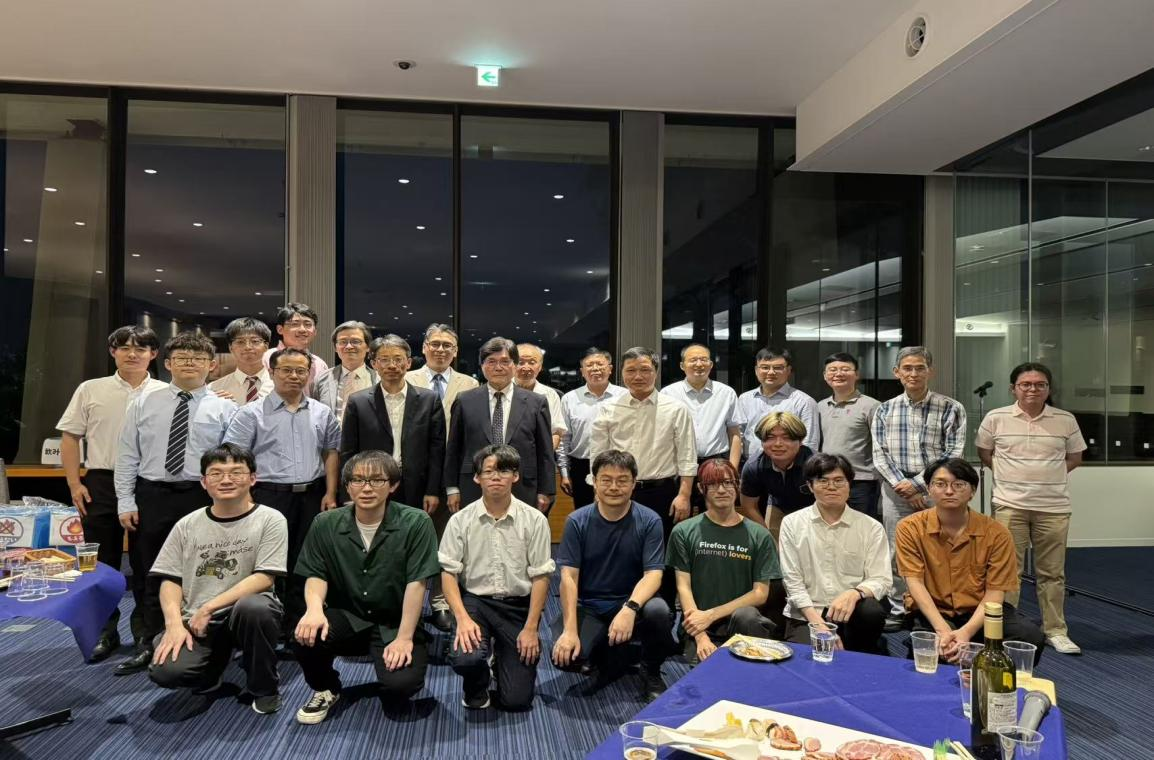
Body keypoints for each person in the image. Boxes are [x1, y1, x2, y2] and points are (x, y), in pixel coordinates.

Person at [115, 332, 237, 675]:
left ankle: (202, 640)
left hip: (202, 497)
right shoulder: (143, 402)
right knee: (149, 570)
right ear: (167, 363)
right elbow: (127, 455)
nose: (189, 363)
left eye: (198, 358)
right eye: (182, 357)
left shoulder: (225, 408)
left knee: (205, 571)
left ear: (211, 366)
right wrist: (125, 500)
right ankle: (149, 641)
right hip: (152, 495)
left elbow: (230, 463)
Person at [292, 451, 442, 724]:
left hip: (394, 622)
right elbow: (315, 573)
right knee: (306, 635)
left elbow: (417, 583)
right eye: (358, 480)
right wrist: (314, 610)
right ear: (347, 486)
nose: (367, 487)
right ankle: (326, 688)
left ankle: (391, 675)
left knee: (401, 687)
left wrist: (404, 637)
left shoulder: (416, 522)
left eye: (377, 480)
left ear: (393, 485)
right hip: (348, 617)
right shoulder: (325, 523)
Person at [147, 444, 288, 715]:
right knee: (167, 672)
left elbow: (264, 578)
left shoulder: (270, 519)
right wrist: (174, 625)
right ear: (203, 482)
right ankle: (212, 667)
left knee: (255, 607)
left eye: (236, 472)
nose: (226, 480)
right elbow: (170, 579)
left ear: (253, 478)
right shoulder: (187, 524)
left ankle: (264, 687)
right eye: (216, 473)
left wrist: (209, 607)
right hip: (196, 620)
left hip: (242, 614)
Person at [57, 325, 166, 662]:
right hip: (101, 482)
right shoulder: (91, 389)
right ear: (112, 352)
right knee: (99, 563)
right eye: (124, 347)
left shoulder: (166, 392)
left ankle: (147, 632)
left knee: (147, 560)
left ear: (153, 354)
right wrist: (75, 483)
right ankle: (104, 631)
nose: (132, 354)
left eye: (140, 348)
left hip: (147, 482)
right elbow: (70, 437)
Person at [224, 347, 341, 629]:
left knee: (307, 560)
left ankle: (298, 624)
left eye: (301, 371)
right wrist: (244, 498)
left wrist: (330, 492)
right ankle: (266, 626)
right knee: (268, 562)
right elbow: (235, 459)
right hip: (267, 496)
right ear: (272, 372)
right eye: (286, 370)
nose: (294, 376)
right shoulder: (251, 413)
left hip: (312, 495)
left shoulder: (322, 412)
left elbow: (331, 452)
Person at [976, 362, 1086, 655]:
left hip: (1053, 507)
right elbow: (985, 453)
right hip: (1009, 506)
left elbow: (1075, 457)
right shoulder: (996, 417)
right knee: (1006, 571)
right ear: (1013, 388)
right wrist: (1013, 477)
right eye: (1026, 384)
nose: (1033, 389)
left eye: (1040, 384)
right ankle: (1007, 627)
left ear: (1048, 389)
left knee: (1052, 572)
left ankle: (1055, 630)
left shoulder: (1065, 420)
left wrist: (1047, 476)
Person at [896, 458, 1045, 664]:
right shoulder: (910, 528)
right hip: (935, 610)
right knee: (938, 651)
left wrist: (966, 632)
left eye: (959, 484)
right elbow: (915, 584)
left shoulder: (996, 533)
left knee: (1029, 637)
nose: (949, 491)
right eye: (940, 484)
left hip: (981, 610)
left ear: (972, 491)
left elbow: (995, 592)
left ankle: (988, 673)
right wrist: (943, 630)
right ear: (929, 489)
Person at [439, 445, 554, 710]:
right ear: (476, 477)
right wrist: (461, 618)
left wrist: (532, 628)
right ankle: (477, 683)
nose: (496, 477)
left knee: (516, 701)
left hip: (518, 606)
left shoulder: (535, 520)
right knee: (466, 657)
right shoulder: (460, 520)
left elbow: (541, 576)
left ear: (515, 476)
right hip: (476, 602)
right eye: (488, 471)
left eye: (503, 470)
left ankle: (500, 659)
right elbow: (448, 573)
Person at [551, 450, 672, 702]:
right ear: (594, 482)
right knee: (566, 658)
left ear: (634, 483)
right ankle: (608, 651)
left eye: (622, 480)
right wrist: (570, 630)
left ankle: (650, 671)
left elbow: (653, 574)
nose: (614, 487)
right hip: (590, 605)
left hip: (632, 601)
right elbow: (568, 577)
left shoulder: (650, 520)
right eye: (606, 480)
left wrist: (630, 608)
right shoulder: (577, 521)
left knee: (659, 611)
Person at [589, 346, 696, 602]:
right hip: (619, 491)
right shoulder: (608, 408)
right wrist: (598, 492)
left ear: (656, 372)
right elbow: (598, 456)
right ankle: (622, 605)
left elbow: (687, 455)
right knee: (620, 551)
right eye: (631, 370)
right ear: (621, 373)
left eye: (645, 370)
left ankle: (663, 609)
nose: (638, 376)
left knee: (663, 554)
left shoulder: (675, 408)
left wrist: (684, 495)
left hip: (663, 492)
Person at [872, 346, 966, 631]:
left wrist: (918, 486)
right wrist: (904, 487)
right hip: (895, 491)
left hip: (939, 490)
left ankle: (938, 608)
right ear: (897, 372)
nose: (913, 373)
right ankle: (900, 607)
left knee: (941, 549)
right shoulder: (884, 409)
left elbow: (953, 452)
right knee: (896, 551)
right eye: (907, 368)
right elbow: (880, 453)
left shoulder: (951, 408)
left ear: (930, 371)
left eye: (920, 368)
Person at [668, 459, 779, 664]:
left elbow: (760, 594)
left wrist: (711, 615)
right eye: (712, 484)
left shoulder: (760, 535)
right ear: (701, 488)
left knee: (747, 616)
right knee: (706, 677)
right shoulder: (683, 531)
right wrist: (700, 636)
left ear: (737, 485)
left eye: (728, 483)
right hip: (699, 625)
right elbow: (683, 587)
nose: (721, 490)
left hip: (743, 623)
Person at [778, 453, 890, 654]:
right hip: (807, 613)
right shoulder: (792, 523)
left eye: (839, 480)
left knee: (871, 611)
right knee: (808, 661)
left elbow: (881, 579)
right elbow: (792, 581)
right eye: (823, 481)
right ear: (810, 486)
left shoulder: (871, 527)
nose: (831, 487)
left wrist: (855, 593)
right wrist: (818, 624)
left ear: (849, 484)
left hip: (852, 612)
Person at [444, 338, 554, 513]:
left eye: (505, 361)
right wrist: (452, 488)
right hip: (473, 484)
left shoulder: (536, 402)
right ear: (482, 366)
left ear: (515, 365)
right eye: (491, 361)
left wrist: (546, 490)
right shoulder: (464, 400)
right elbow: (454, 448)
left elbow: (545, 451)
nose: (498, 367)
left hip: (523, 485)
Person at [339, 335, 445, 512]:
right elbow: (348, 451)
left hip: (417, 486)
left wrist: (432, 490)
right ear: (374, 364)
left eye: (398, 359)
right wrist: (348, 493)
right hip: (371, 484)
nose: (392, 365)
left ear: (408, 363)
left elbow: (437, 450)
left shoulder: (429, 400)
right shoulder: (358, 402)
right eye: (384, 360)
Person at [661, 344, 742, 511]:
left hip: (716, 463)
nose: (699, 364)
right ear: (682, 365)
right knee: (678, 514)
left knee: (717, 514)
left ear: (711, 365)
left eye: (704, 360)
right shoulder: (668, 394)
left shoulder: (726, 393)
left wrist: (732, 471)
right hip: (679, 466)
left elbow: (734, 434)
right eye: (693, 360)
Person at [817, 352, 881, 520]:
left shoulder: (871, 406)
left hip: (861, 481)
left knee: (862, 528)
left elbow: (882, 446)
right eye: (832, 370)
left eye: (845, 369)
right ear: (825, 375)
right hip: (827, 480)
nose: (838, 374)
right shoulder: (820, 406)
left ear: (857, 374)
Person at [559, 348, 624, 509]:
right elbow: (563, 439)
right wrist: (565, 473)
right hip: (580, 466)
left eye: (600, 364)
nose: (595, 368)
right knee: (585, 513)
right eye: (589, 365)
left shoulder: (625, 396)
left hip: (617, 464)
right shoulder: (569, 399)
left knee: (617, 511)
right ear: (582, 371)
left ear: (610, 368)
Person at [737, 411, 815, 539]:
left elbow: (830, 503)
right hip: (777, 505)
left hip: (812, 510)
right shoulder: (754, 466)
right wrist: (767, 537)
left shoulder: (817, 465)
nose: (778, 444)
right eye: (770, 437)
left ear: (800, 441)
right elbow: (749, 506)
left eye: (786, 437)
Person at [736, 347, 819, 458]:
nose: (771, 372)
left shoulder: (804, 402)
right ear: (756, 370)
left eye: (778, 368)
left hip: (790, 464)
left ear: (789, 370)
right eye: (765, 367)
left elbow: (809, 443)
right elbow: (738, 434)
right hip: (750, 463)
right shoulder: (745, 399)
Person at [404, 323, 479, 432]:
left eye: (447, 345)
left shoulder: (470, 384)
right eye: (435, 344)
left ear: (455, 351)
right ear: (424, 348)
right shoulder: (406, 380)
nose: (440, 350)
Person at [311, 320, 377, 426]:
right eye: (343, 342)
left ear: (368, 346)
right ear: (335, 348)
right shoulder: (322, 379)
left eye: (356, 341)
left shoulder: (380, 380)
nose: (349, 346)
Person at [262, 303, 328, 394]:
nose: (302, 330)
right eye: (295, 324)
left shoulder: (320, 364)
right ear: (280, 329)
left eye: (308, 324)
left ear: (315, 332)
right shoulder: (265, 358)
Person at [514, 343, 566, 451]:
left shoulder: (550, 394)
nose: (526, 367)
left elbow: (556, 433)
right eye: (520, 362)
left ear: (540, 367)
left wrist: (544, 455)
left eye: (532, 362)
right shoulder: (501, 390)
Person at [210, 317, 274, 404]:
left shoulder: (282, 385)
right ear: (230, 347)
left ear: (266, 346)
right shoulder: (215, 389)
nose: (248, 347)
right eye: (240, 342)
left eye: (255, 341)